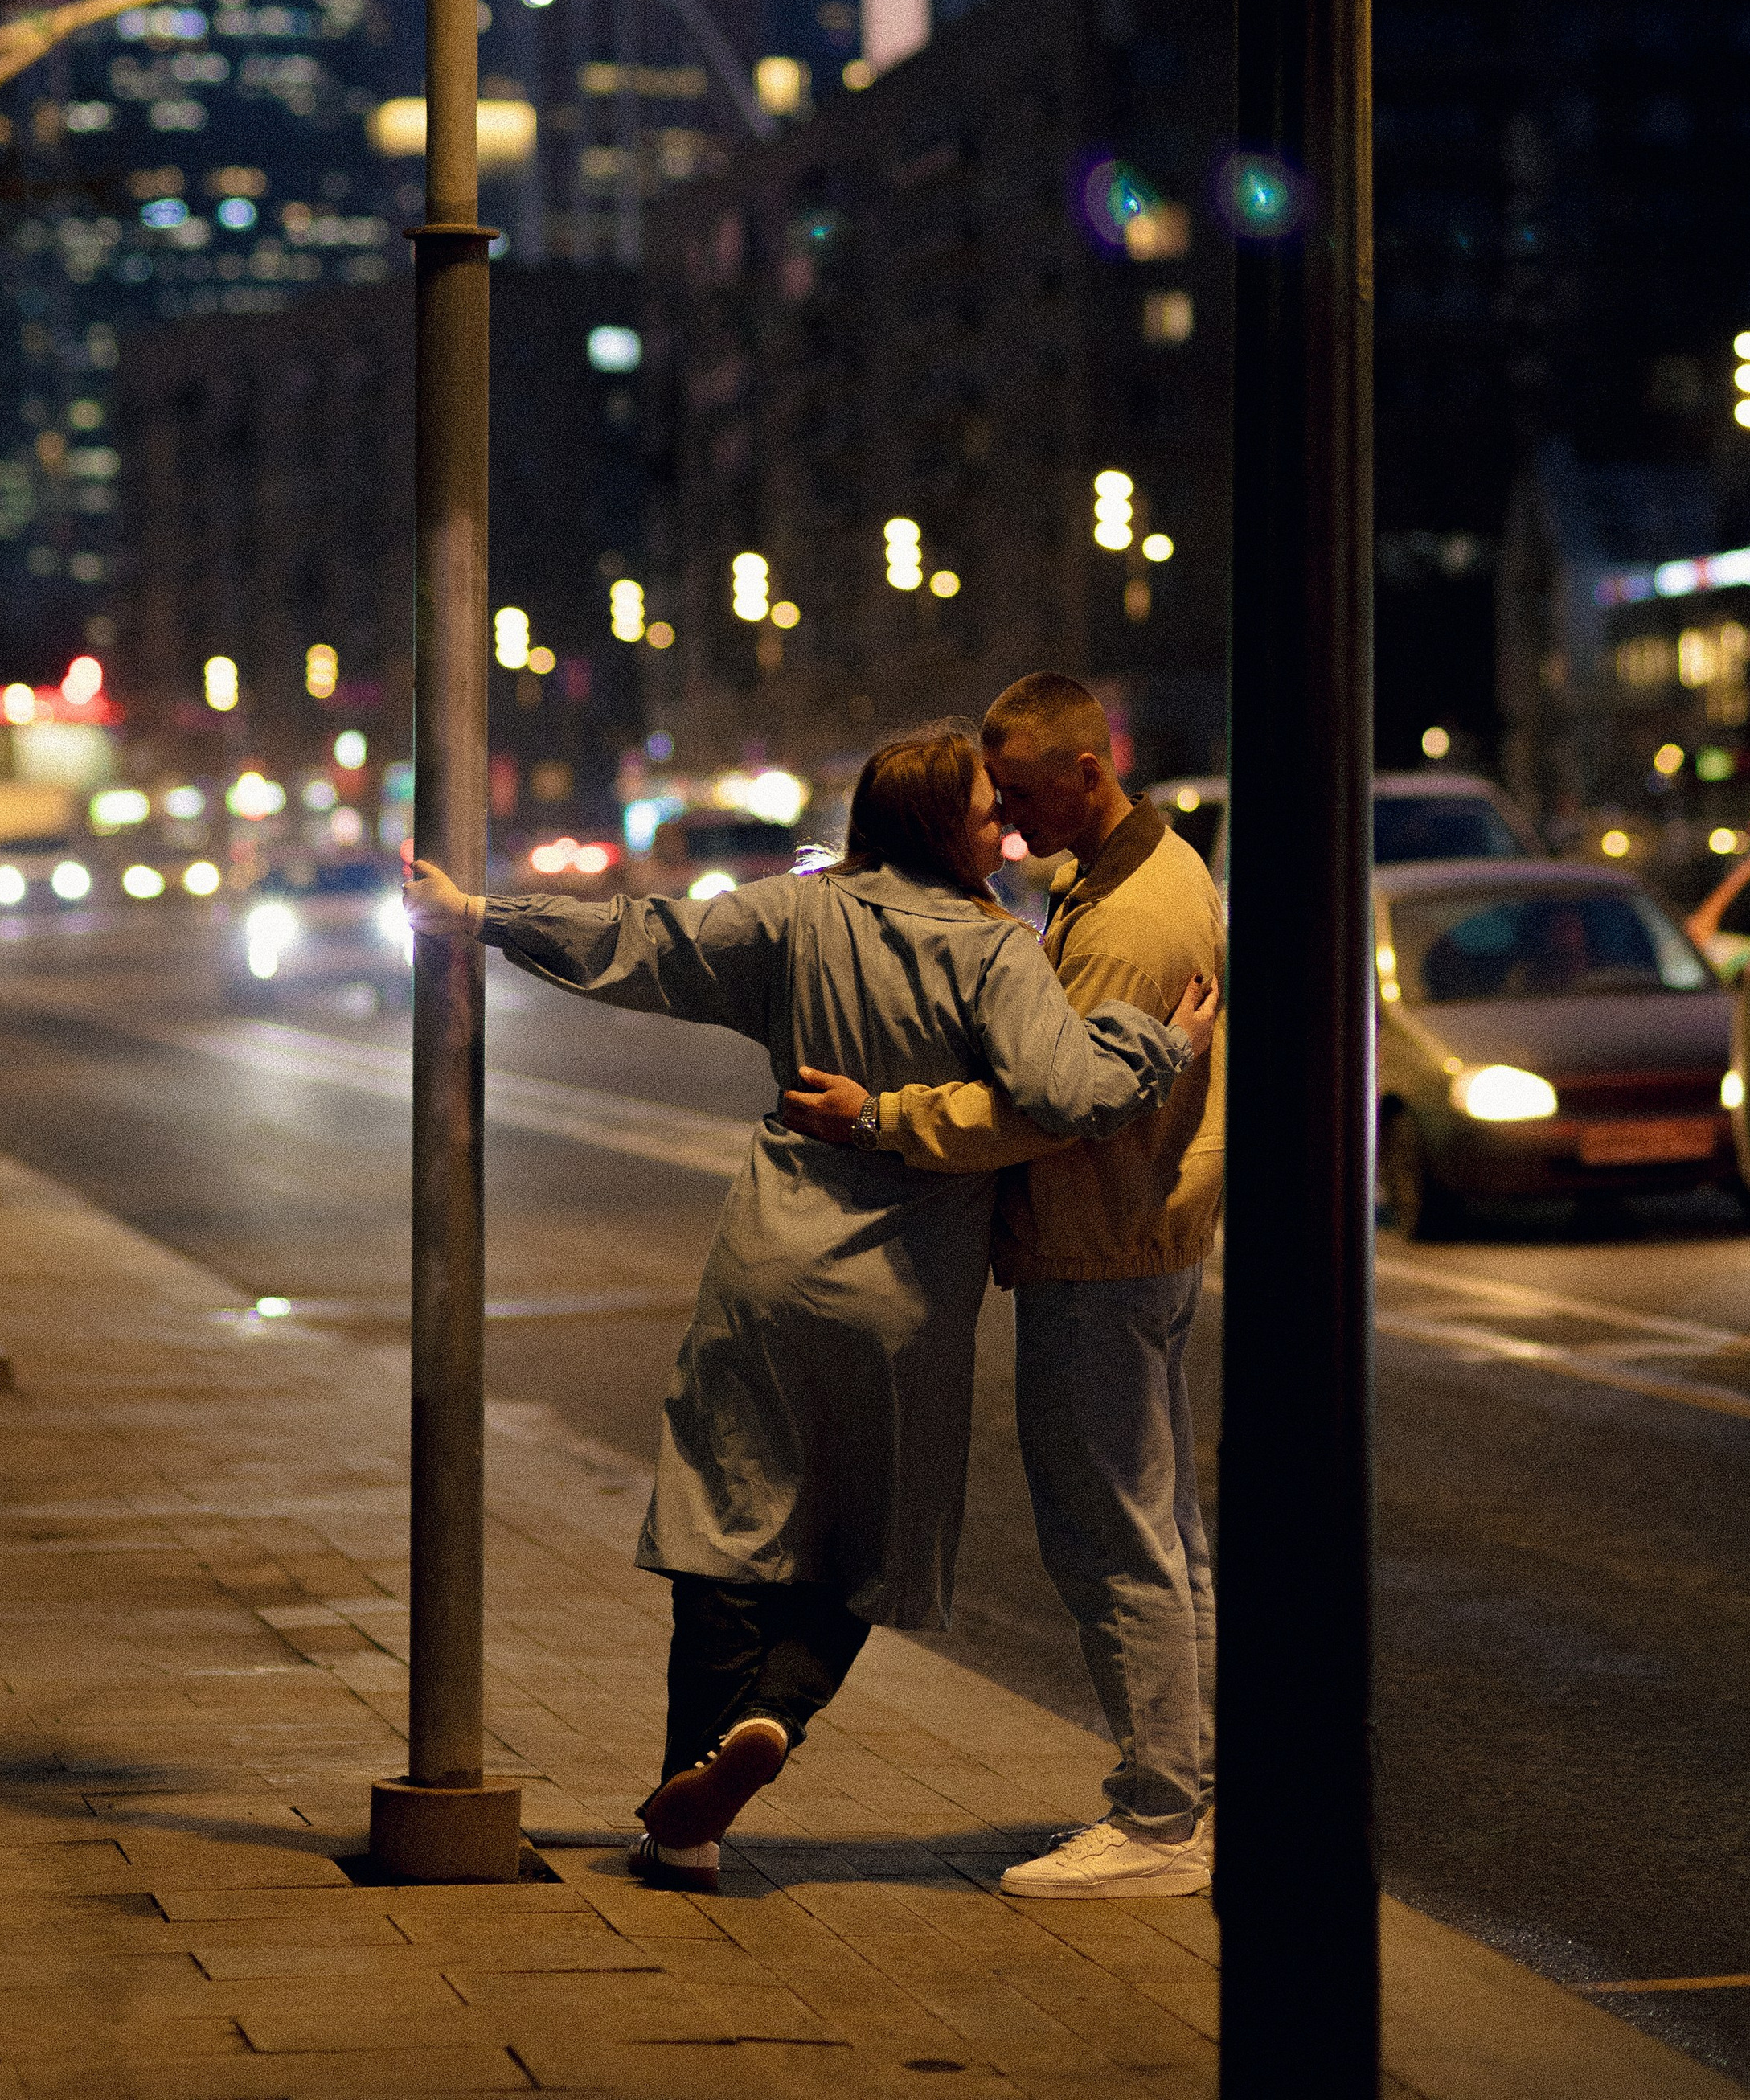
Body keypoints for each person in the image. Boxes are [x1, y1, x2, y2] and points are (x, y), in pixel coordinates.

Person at [404, 720, 1216, 1890]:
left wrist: (476, 915)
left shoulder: (793, 916)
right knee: (864, 1543)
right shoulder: (1000, 954)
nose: (1009, 829)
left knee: (725, 1533)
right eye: (991, 809)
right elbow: (1071, 1090)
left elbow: (638, 941)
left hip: (767, 1271)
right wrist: (1160, 1043)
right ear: (944, 828)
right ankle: (775, 1718)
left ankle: (685, 1821)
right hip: (906, 1301)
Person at [784, 672, 1225, 1900]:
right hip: (1133, 1238)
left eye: (1026, 797)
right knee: (1161, 1531)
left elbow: (1052, 1102)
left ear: (1090, 771)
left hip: (1101, 1244)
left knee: (1113, 1538)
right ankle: (1186, 1790)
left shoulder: (1134, 918)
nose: (1015, 827)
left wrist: (880, 1115)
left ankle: (1157, 1823)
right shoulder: (1129, 875)